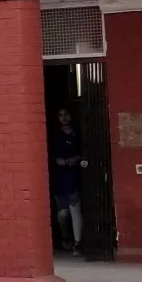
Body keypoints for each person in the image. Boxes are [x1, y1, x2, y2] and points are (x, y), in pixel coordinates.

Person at [49, 107, 85, 254]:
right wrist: (57, 161)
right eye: (60, 115)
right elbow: (50, 155)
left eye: (66, 114)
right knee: (63, 213)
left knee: (75, 209)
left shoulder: (78, 134)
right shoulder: (55, 137)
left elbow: (84, 151)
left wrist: (77, 158)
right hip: (59, 177)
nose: (64, 117)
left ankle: (78, 242)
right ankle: (65, 237)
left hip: (74, 175)